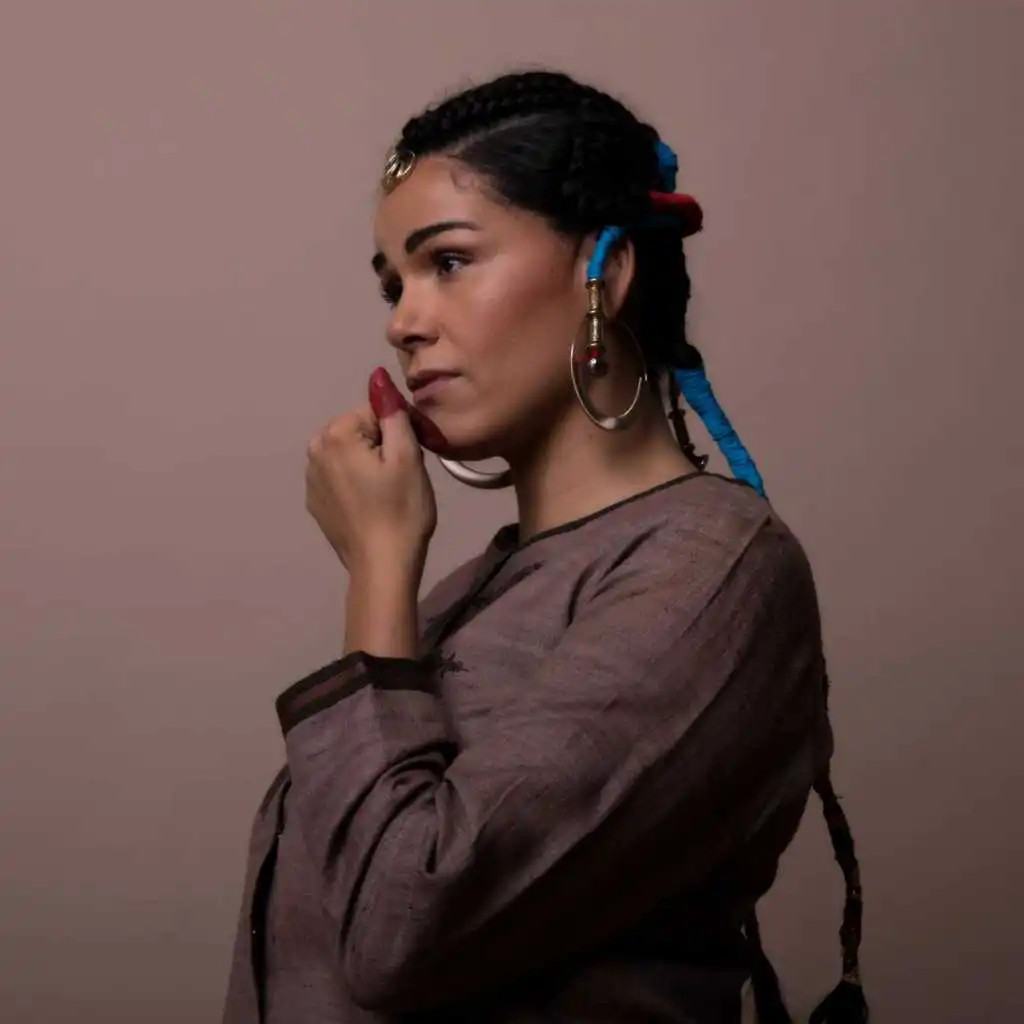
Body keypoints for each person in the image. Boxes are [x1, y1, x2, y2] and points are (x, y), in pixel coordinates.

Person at [222, 69, 867, 1024]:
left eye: (448, 262)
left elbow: (404, 930)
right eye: (394, 284)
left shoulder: (715, 569)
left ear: (605, 271)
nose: (402, 322)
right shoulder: (472, 593)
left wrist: (379, 563)